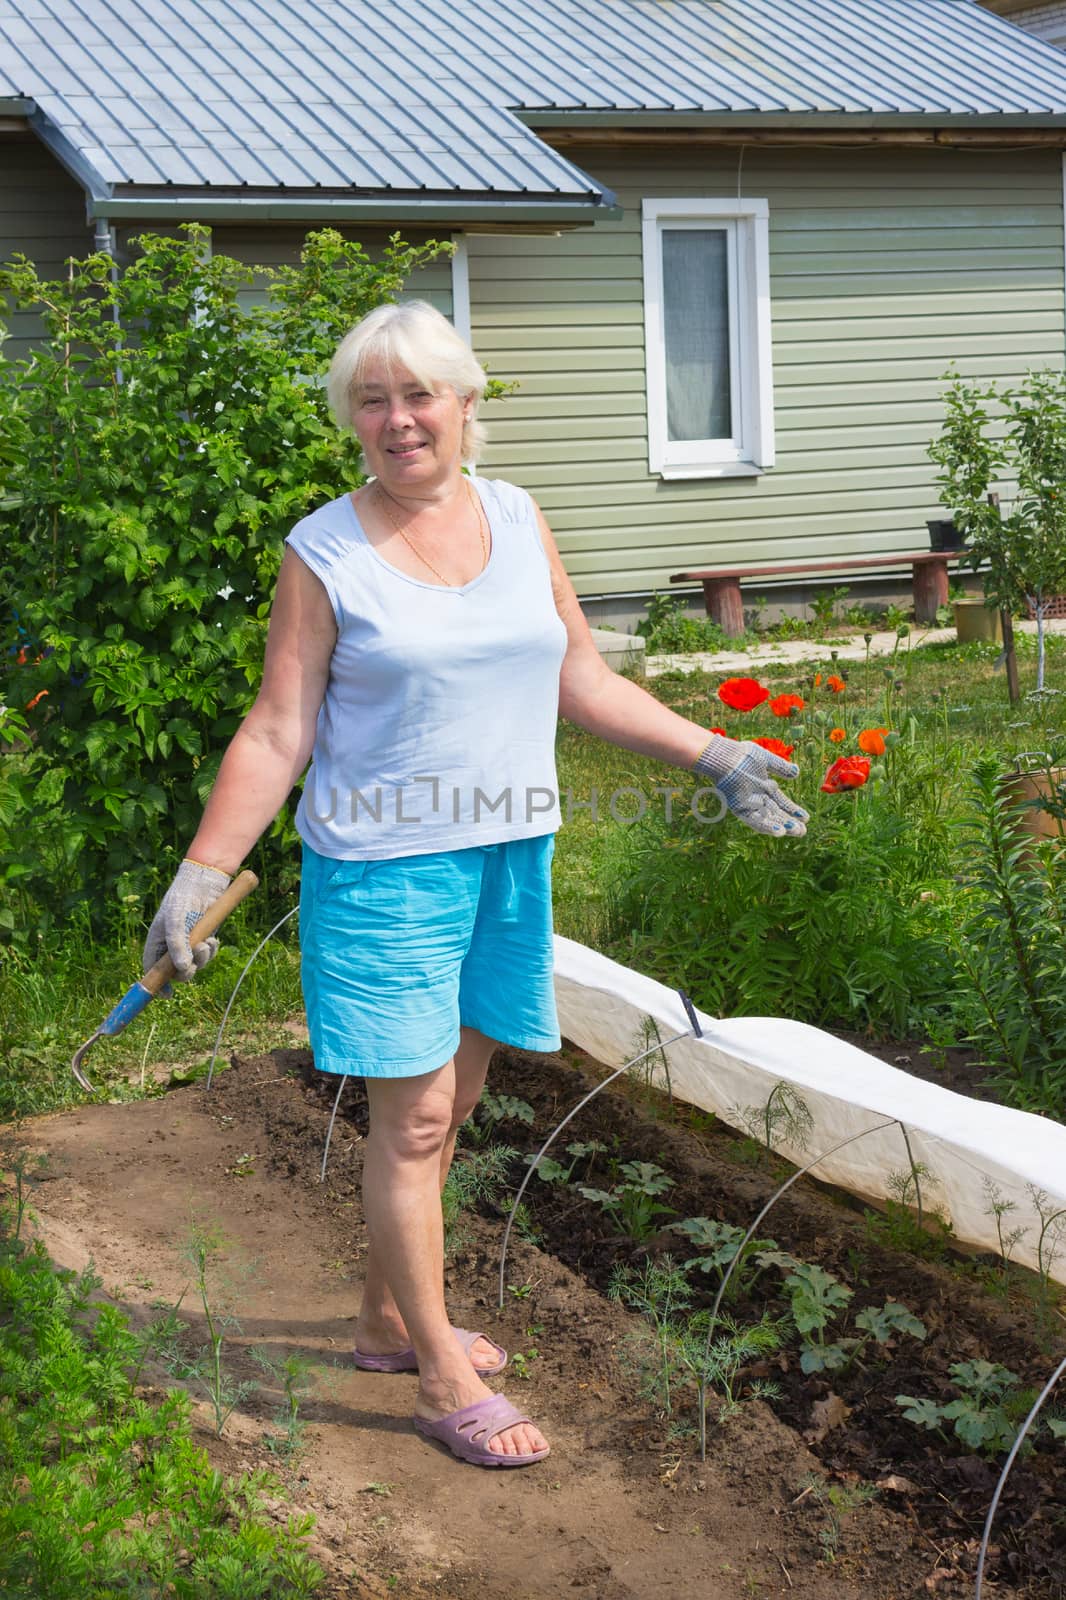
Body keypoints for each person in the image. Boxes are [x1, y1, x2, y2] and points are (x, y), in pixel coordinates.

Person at [144, 300, 807, 1469]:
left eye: (419, 395)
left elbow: (580, 677)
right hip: (385, 873)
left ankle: (384, 1319)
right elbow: (276, 725)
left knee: (450, 1111)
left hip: (510, 855)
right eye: (372, 399)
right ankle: (440, 1373)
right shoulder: (324, 550)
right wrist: (203, 875)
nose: (398, 420)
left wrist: (711, 752)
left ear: (465, 404)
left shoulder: (515, 515)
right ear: (352, 417)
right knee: (414, 1126)